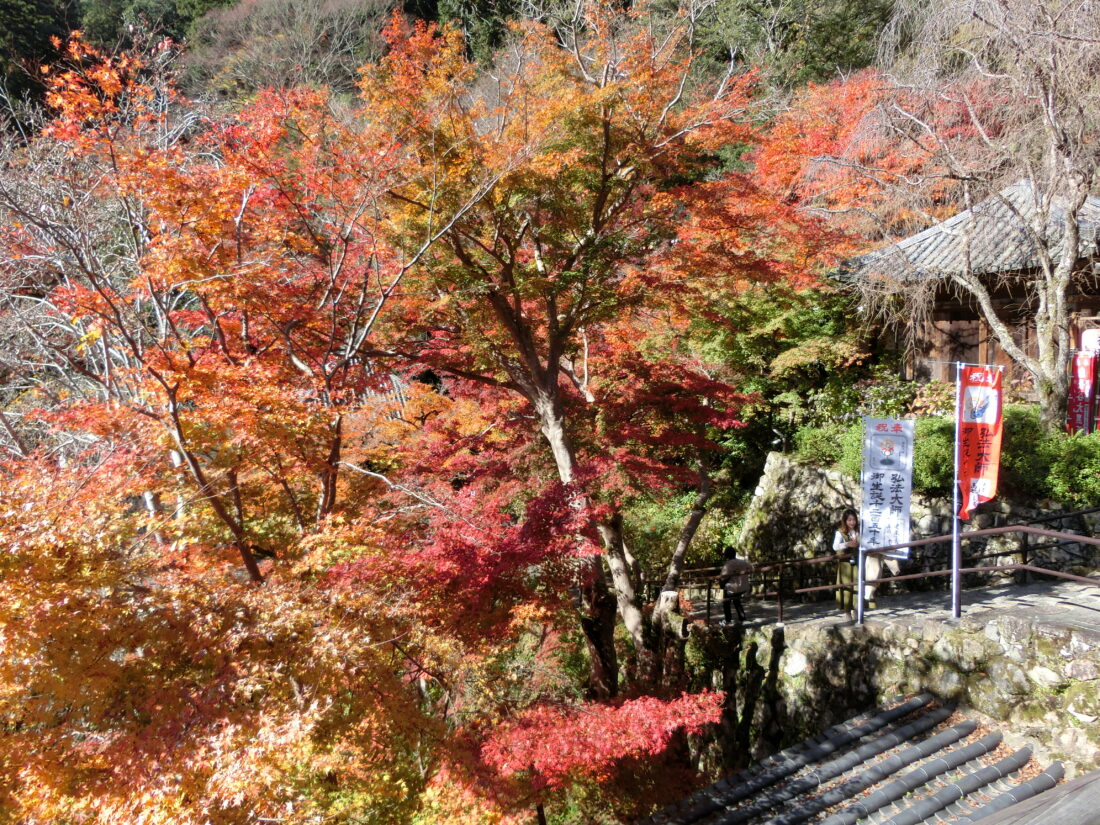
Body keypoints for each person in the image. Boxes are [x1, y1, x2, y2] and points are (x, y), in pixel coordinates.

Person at [833, 508, 860, 619]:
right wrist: (847, 544)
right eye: (849, 520)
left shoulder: (858, 531)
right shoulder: (840, 533)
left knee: (857, 586)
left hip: (857, 563)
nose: (852, 522)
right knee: (846, 588)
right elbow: (835, 547)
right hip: (845, 565)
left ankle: (856, 610)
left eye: (854, 519)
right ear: (845, 521)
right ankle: (847, 612)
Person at [718, 546, 753, 626]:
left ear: (726, 555)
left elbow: (723, 577)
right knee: (736, 601)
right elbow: (752, 568)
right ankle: (742, 618)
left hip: (733, 589)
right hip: (743, 587)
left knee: (726, 601)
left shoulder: (728, 564)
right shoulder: (743, 562)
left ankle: (728, 620)